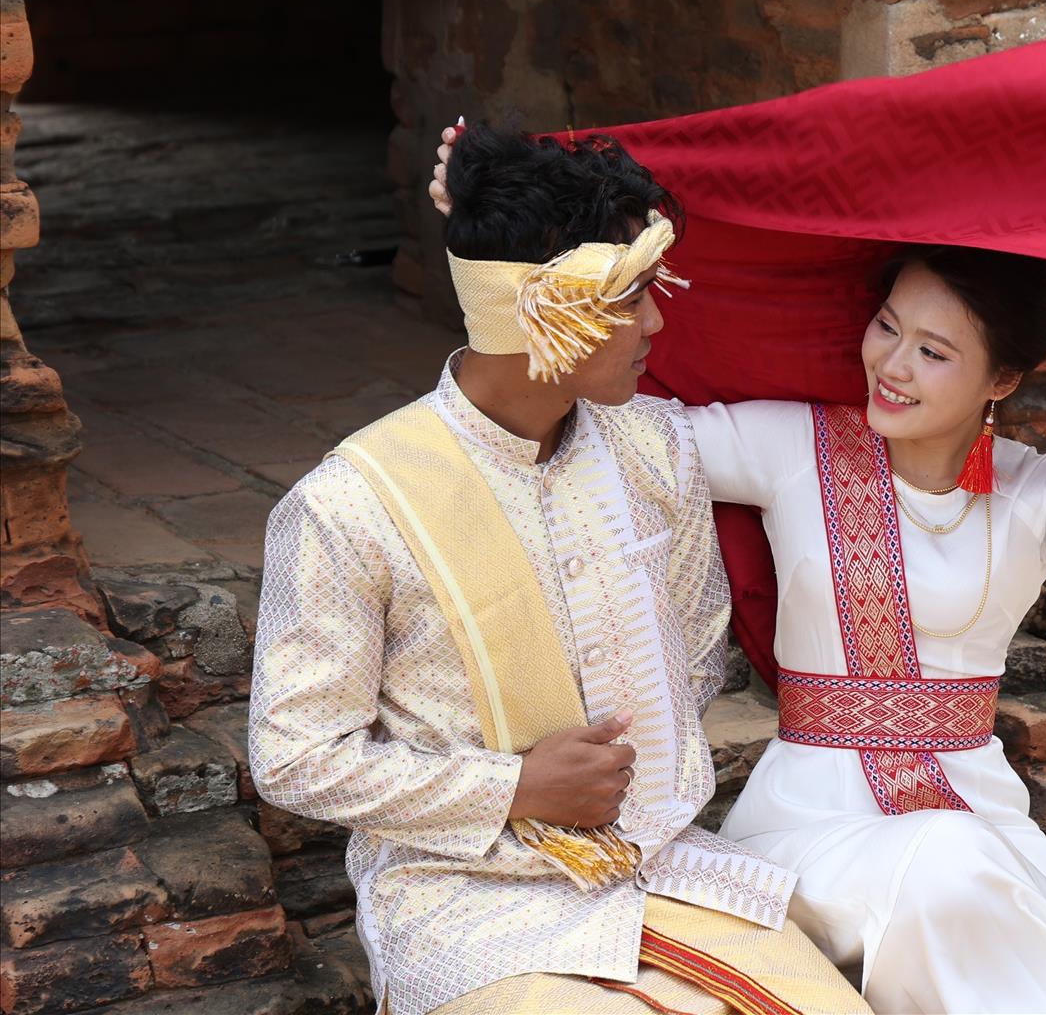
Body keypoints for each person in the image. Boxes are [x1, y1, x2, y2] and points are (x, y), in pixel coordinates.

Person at [432, 142, 1046, 1014]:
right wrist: (504, 259)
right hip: (808, 826)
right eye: (887, 327)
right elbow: (619, 433)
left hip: (975, 825)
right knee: (946, 865)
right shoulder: (795, 448)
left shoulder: (1035, 490)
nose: (892, 365)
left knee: (957, 864)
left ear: (1002, 379)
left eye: (934, 352)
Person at [251, 126, 869, 1015]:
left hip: (660, 870)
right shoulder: (352, 505)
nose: (657, 323)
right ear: (540, 311)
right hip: (463, 901)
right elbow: (296, 758)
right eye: (631, 297)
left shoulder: (656, 448)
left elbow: (696, 653)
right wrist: (516, 788)